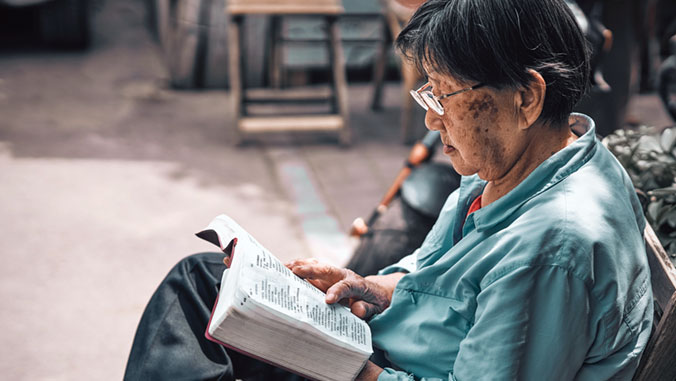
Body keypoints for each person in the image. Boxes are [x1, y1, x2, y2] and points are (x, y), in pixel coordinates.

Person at [124, 0, 653, 379]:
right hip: (388, 345)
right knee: (204, 281)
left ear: (527, 98)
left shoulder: (551, 248)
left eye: (444, 96)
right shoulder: (531, 161)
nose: (431, 121)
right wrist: (376, 287)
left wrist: (355, 372)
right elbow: (437, 271)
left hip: (387, 367)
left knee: (198, 311)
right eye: (428, 93)